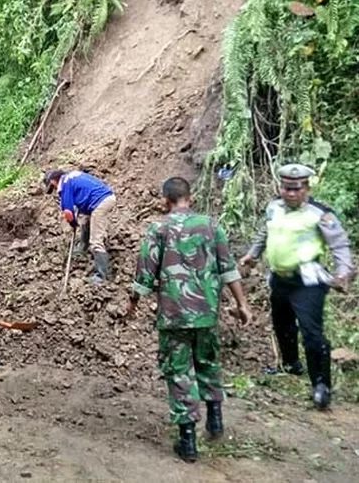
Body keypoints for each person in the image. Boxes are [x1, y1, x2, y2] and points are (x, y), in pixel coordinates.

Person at [126, 177, 252, 463]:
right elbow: (228, 268)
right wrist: (242, 304)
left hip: (174, 315)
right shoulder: (211, 225)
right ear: (190, 198)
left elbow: (145, 275)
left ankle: (188, 441)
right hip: (207, 313)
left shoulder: (158, 228)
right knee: (208, 362)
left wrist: (132, 303)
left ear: (164, 201)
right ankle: (215, 420)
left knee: (179, 371)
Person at [240, 163, 355, 411]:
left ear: (306, 188)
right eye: (286, 188)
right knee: (282, 323)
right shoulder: (273, 208)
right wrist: (252, 255)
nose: (291, 193)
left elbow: (339, 244)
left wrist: (343, 272)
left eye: (296, 189)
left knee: (312, 332)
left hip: (308, 281)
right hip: (280, 278)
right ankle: (291, 364)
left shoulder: (320, 214)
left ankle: (321, 386)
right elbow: (264, 233)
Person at [44, 169, 117, 283]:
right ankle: (82, 250)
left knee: (96, 241)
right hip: (104, 197)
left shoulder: (65, 184)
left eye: (52, 187)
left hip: (100, 202)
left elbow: (68, 212)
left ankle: (102, 276)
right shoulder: (72, 176)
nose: (54, 190)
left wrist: (73, 224)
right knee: (85, 223)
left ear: (53, 181)